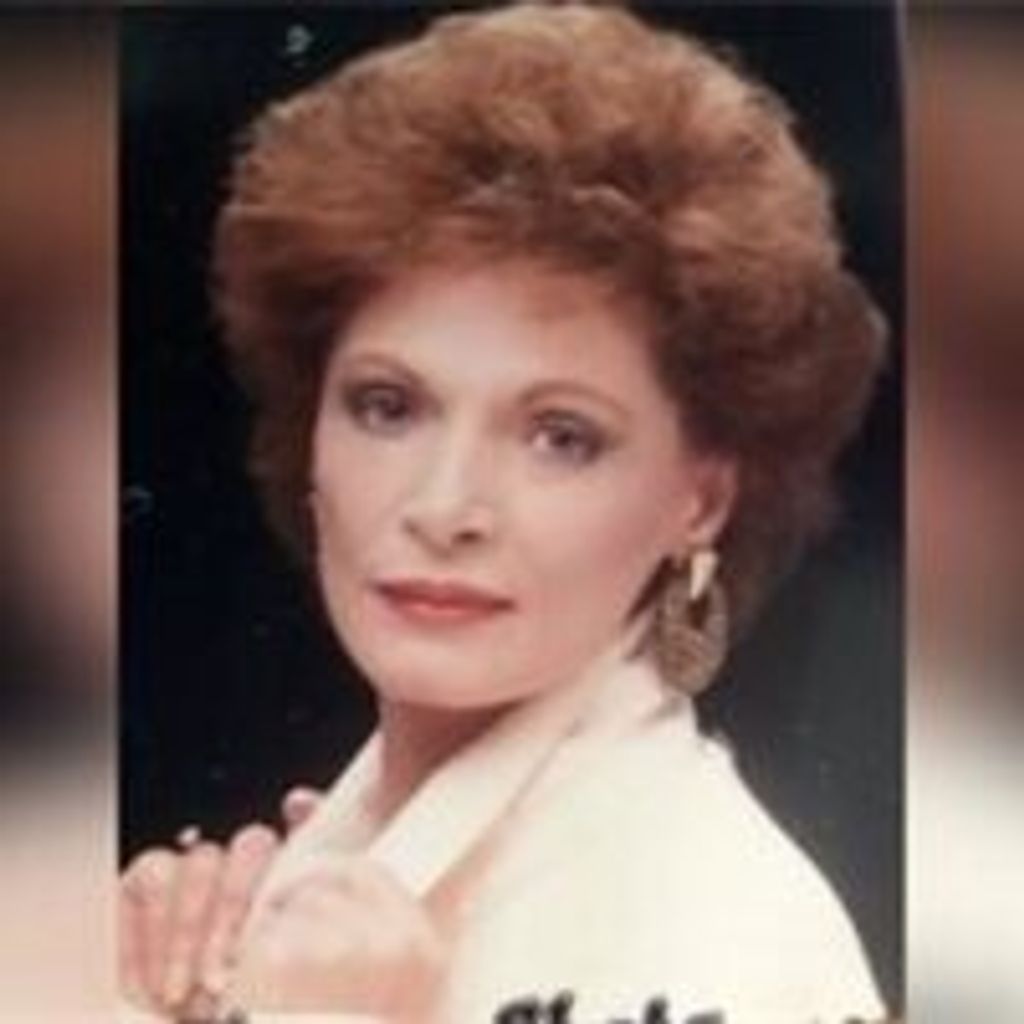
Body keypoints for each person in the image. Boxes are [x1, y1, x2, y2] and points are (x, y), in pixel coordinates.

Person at [120, 4, 890, 1021]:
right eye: (387, 406)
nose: (444, 508)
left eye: (560, 436)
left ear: (700, 500)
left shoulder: (731, 940)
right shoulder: (311, 872)